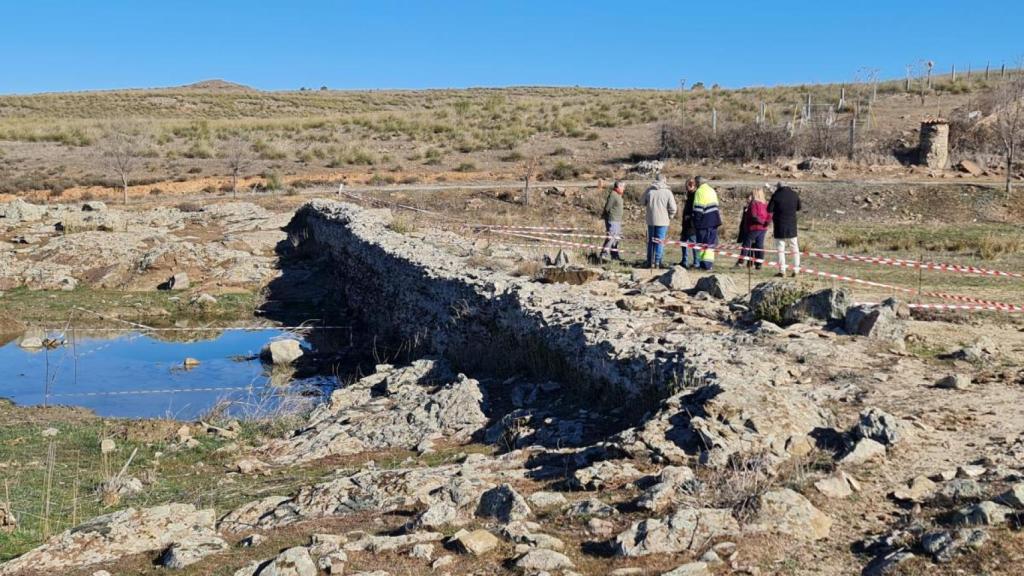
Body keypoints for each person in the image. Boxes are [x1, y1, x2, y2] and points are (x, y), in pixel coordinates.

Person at [642, 173, 677, 268]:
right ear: (664, 180)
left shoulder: (649, 190)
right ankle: (658, 262)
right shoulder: (667, 192)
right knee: (660, 241)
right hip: (663, 221)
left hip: (650, 220)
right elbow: (673, 208)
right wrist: (670, 216)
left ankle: (650, 261)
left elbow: (642, 201)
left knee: (651, 241)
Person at [768, 182, 802, 277]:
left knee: (780, 248)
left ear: (778, 187)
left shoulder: (776, 195)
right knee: (794, 247)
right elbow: (799, 207)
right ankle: (796, 269)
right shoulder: (794, 194)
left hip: (779, 225)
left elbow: (769, 209)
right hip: (791, 224)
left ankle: (782, 270)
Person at [690, 176, 721, 270]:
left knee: (702, 243)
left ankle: (704, 265)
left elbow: (698, 209)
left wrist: (695, 222)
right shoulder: (711, 190)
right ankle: (709, 265)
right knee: (710, 243)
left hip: (704, 222)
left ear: (698, 183)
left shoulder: (699, 191)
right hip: (714, 220)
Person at [738, 186, 770, 269]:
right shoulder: (765, 204)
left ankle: (740, 262)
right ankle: (759, 264)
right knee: (759, 246)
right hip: (763, 228)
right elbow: (769, 215)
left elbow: (753, 215)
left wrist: (761, 222)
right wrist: (766, 223)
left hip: (753, 227)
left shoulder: (754, 204)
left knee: (746, 245)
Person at [599, 181, 625, 262]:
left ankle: (614, 256)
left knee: (616, 239)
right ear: (618, 187)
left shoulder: (618, 195)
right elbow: (607, 207)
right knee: (611, 238)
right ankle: (603, 255)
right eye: (623, 187)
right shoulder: (613, 195)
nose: (624, 188)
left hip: (617, 220)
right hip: (612, 220)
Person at [678, 178, 698, 268]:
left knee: (693, 244)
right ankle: (684, 261)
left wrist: (690, 216)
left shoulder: (695, 196)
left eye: (690, 185)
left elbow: (696, 210)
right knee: (683, 242)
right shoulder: (689, 195)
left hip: (692, 224)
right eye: (687, 185)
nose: (688, 187)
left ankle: (696, 262)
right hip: (685, 224)